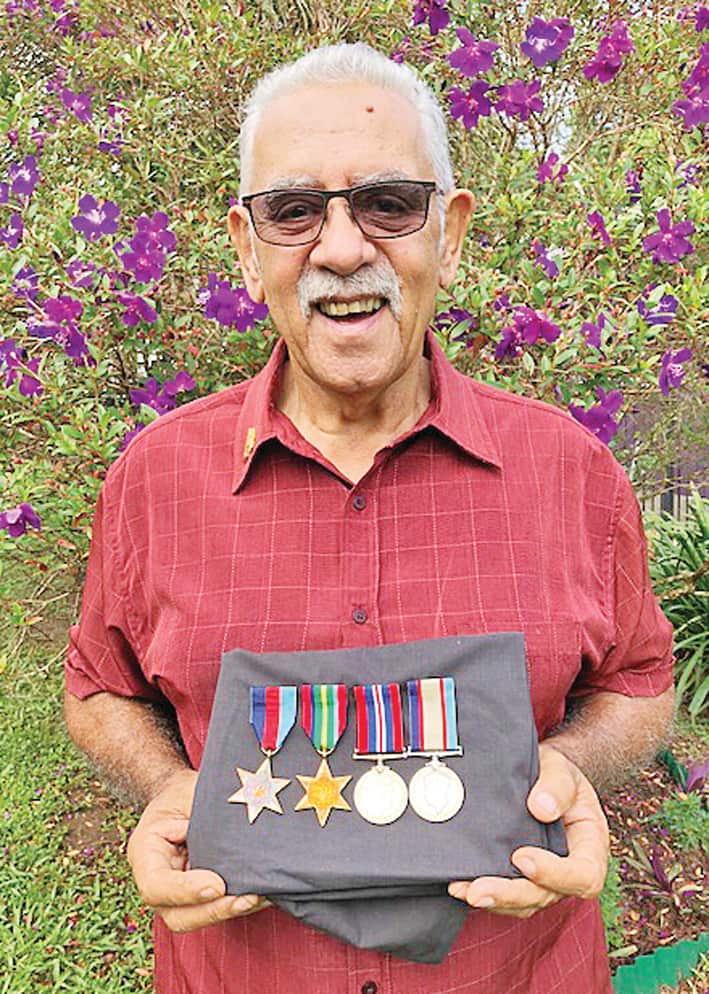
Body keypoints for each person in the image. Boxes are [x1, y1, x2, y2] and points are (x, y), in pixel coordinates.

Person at [64, 42, 674, 994]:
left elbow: (638, 681)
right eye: (294, 210)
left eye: (388, 203)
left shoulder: (570, 470)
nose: (342, 249)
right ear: (246, 247)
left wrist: (566, 769)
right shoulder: (154, 478)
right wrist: (168, 788)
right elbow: (99, 686)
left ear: (450, 233)